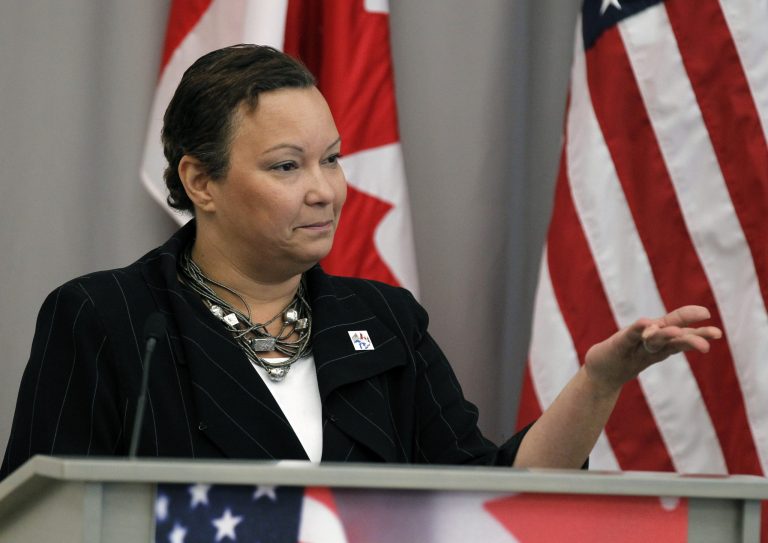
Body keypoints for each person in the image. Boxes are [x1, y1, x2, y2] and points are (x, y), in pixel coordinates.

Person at [0, 45, 721, 479]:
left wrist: (599, 382)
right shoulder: (111, 318)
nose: (324, 190)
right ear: (200, 181)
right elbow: (37, 516)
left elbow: (489, 495)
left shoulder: (383, 319)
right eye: (287, 166)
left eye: (333, 159)